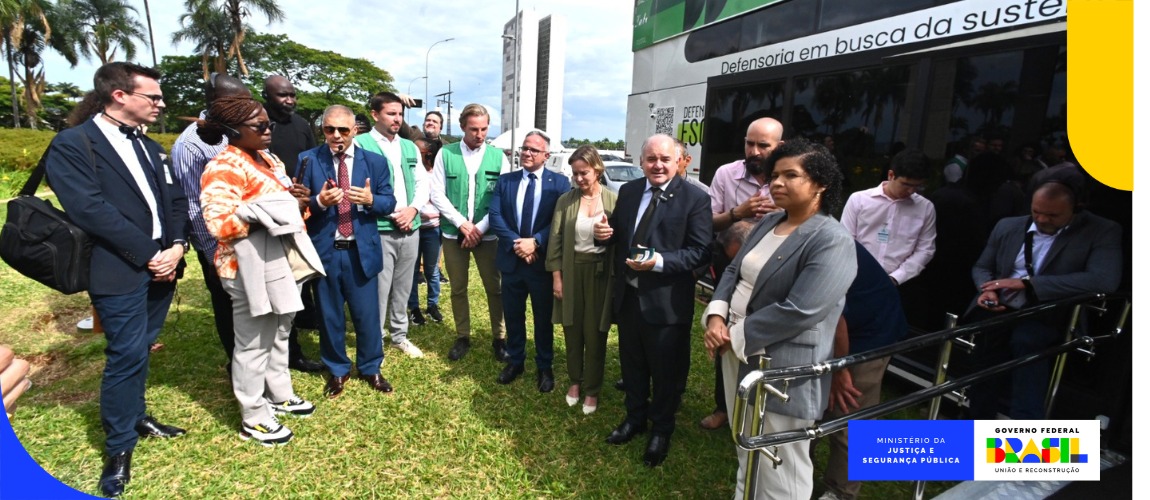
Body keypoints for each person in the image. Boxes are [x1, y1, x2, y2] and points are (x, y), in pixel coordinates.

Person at [44, 62, 190, 498]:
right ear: (119, 95)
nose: (161, 104)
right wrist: (149, 255)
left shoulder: (151, 147)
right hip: (119, 269)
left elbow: (176, 198)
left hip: (165, 264)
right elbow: (89, 209)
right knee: (125, 353)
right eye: (154, 97)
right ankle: (119, 447)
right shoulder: (74, 144)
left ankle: (137, 415)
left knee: (142, 345)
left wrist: (178, 245)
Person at [703, 138, 856, 500]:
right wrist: (715, 316)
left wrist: (733, 335)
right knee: (747, 443)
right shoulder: (769, 221)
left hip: (782, 363)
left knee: (781, 461)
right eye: (774, 175)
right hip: (733, 347)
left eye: (791, 175)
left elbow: (801, 310)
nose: (777, 183)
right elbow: (732, 271)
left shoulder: (832, 239)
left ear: (821, 183)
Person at [200, 94, 324, 447]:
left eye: (268, 123)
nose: (269, 130)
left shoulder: (268, 159)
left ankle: (280, 393)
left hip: (280, 261)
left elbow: (289, 207)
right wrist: (276, 208)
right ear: (232, 130)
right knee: (253, 342)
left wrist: (297, 200)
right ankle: (253, 414)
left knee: (281, 329)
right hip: (246, 265)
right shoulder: (224, 167)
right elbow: (219, 223)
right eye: (260, 126)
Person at [593, 134, 711, 467]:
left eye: (664, 159)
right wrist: (604, 234)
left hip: (666, 303)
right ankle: (634, 418)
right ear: (641, 162)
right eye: (650, 159)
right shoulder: (628, 192)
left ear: (679, 161)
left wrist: (658, 262)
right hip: (629, 297)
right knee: (632, 364)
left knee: (665, 371)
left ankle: (661, 428)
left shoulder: (694, 199)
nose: (657, 165)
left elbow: (701, 252)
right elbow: (617, 233)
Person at [967, 179, 1121, 420]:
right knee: (984, 364)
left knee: (1028, 348)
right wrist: (987, 289)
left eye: (1053, 215)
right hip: (1000, 308)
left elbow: (1104, 280)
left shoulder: (1101, 230)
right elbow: (983, 266)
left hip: (1049, 313)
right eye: (1036, 212)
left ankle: (1026, 432)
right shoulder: (1009, 226)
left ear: (1075, 209)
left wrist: (1030, 284)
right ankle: (974, 427)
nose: (1042, 220)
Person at [298, 105, 398, 398]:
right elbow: (299, 204)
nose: (336, 136)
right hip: (326, 250)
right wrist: (318, 201)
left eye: (343, 129)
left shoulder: (375, 162)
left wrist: (370, 200)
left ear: (355, 130)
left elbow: (389, 202)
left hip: (360, 250)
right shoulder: (308, 160)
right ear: (323, 130)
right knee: (329, 316)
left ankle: (370, 367)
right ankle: (338, 369)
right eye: (330, 129)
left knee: (367, 315)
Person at [699, 117, 785, 432]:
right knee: (724, 338)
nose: (755, 151)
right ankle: (724, 407)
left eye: (764, 145)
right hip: (730, 268)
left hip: (774, 273)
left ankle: (761, 411)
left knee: (764, 343)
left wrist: (779, 217)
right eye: (750, 143)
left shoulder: (787, 178)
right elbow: (707, 223)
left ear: (780, 146)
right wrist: (739, 213)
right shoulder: (726, 174)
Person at [170, 73, 252, 368]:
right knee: (230, 309)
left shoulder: (244, 130)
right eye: (237, 101)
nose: (246, 105)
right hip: (221, 245)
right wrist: (212, 253)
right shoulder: (191, 145)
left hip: (252, 238)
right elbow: (193, 203)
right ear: (215, 103)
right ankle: (238, 367)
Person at [815, 241, 908, 500]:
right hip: (842, 325)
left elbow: (836, 320)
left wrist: (840, 368)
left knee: (851, 414)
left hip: (871, 332)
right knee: (816, 406)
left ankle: (841, 491)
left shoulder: (823, 250)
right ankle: (798, 470)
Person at [428, 103, 511, 361]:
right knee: (458, 287)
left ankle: (500, 337)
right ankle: (463, 335)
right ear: (463, 126)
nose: (480, 134)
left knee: (494, 288)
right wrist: (462, 224)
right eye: (474, 129)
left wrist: (480, 227)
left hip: (488, 234)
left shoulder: (499, 157)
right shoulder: (446, 153)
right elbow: (436, 193)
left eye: (484, 128)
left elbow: (502, 196)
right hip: (454, 234)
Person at [488, 132, 570, 390]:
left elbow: (560, 220)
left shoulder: (560, 183)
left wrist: (535, 242)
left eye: (534, 150)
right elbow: (495, 215)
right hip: (512, 261)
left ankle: (544, 366)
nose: (527, 153)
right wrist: (518, 244)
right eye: (524, 148)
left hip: (542, 263)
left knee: (542, 318)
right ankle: (516, 360)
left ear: (547, 155)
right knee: (513, 315)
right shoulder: (506, 181)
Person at [354, 92, 428, 358]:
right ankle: (376, 339)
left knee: (404, 285)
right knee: (378, 288)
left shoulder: (408, 146)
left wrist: (413, 209)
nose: (397, 119)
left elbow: (422, 183)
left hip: (410, 225)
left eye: (400, 114)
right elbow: (356, 187)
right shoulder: (360, 144)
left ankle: (399, 335)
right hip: (378, 226)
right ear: (375, 114)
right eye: (391, 113)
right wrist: (397, 210)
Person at [548, 146, 618, 415]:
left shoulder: (614, 201)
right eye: (575, 173)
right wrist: (557, 277)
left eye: (584, 173)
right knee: (572, 328)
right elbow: (555, 241)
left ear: (597, 170)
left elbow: (620, 241)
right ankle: (575, 382)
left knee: (596, 332)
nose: (579, 178)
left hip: (600, 274)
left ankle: (592, 389)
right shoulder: (566, 201)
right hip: (571, 270)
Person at [263, 74, 324, 372]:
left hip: (302, 210)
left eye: (292, 95)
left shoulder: (300, 125)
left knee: (304, 270)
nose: (289, 101)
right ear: (267, 97)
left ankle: (307, 315)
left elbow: (313, 161)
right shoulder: (259, 126)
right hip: (270, 217)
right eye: (282, 96)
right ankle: (286, 347)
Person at [840, 149, 936, 286]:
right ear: (891, 175)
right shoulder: (859, 200)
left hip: (901, 283)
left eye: (917, 186)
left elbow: (925, 249)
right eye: (906, 184)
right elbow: (846, 240)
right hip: (856, 278)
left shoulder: (925, 207)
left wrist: (896, 278)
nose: (911, 191)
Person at [408, 138, 446, 324]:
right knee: (413, 271)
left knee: (432, 270)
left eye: (419, 151)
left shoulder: (437, 175)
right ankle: (414, 308)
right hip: (412, 229)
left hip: (433, 230)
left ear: (428, 155)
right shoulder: (410, 172)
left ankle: (432, 305)